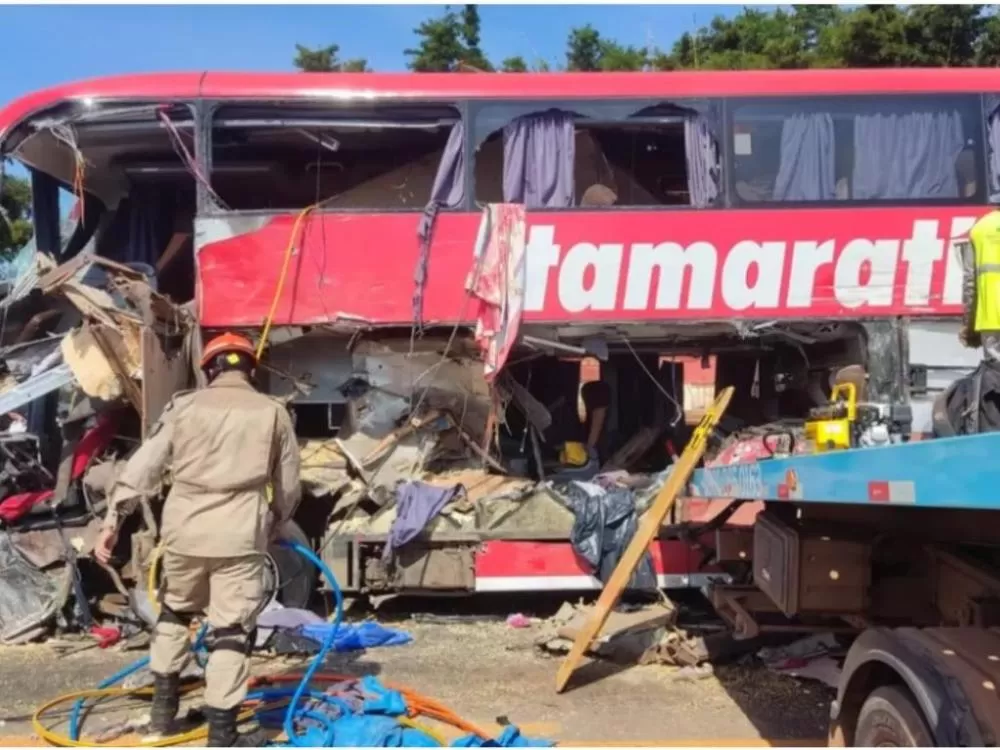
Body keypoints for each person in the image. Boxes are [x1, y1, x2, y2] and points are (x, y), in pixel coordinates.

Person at [94, 332, 301, 747]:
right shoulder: (272, 412)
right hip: (239, 534)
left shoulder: (184, 407)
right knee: (230, 631)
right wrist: (277, 519)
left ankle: (161, 719)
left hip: (184, 531)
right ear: (251, 369)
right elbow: (289, 484)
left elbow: (143, 466)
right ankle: (223, 735)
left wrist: (112, 521)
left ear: (209, 370)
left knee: (175, 614)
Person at [959, 203, 1000, 361]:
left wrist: (968, 323)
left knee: (995, 376)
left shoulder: (980, 228)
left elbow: (970, 282)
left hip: (990, 319)